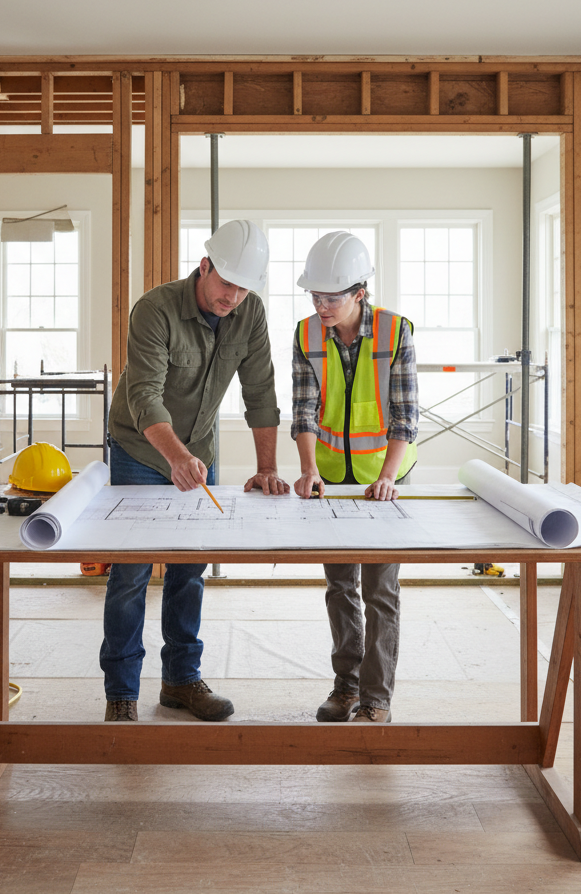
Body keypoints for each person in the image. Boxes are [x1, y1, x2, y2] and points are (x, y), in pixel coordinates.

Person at [101, 219, 289, 723]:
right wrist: (174, 456)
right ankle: (121, 692)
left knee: (189, 570)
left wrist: (267, 467)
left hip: (200, 448)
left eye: (243, 288)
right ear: (204, 266)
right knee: (132, 572)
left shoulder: (250, 312)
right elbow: (144, 396)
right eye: (226, 284)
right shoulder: (155, 309)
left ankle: (181, 681)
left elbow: (260, 392)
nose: (233, 297)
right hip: (141, 450)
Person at [291, 231, 418, 724]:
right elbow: (303, 409)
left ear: (359, 292)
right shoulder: (306, 335)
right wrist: (307, 469)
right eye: (315, 296)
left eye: (332, 298)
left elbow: (405, 415)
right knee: (340, 586)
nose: (321, 307)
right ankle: (345, 687)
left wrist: (387, 477)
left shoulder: (394, 331)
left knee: (380, 591)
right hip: (329, 477)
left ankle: (376, 699)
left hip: (384, 478)